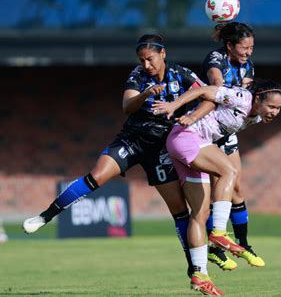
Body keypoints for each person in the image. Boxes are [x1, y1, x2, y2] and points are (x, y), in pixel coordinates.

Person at [22, 34, 205, 281]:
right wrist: (146, 94)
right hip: (132, 139)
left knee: (179, 210)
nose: (146, 65)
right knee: (96, 176)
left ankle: (194, 270)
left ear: (163, 54)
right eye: (142, 60)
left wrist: (190, 116)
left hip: (161, 148)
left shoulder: (181, 74)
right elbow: (127, 106)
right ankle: (45, 216)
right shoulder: (138, 76)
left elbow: (207, 94)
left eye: (150, 59)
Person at [153, 79, 281, 296]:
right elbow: (204, 91)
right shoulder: (242, 98)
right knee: (229, 171)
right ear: (258, 99)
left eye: (279, 108)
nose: (275, 112)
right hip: (187, 137)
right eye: (271, 106)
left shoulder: (257, 116)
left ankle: (199, 275)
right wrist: (174, 106)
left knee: (200, 214)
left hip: (189, 145)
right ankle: (220, 232)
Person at [187, 21, 263, 271]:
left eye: (251, 47)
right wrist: (239, 92)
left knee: (236, 189)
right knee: (213, 190)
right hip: (208, 129)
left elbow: (246, 91)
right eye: (244, 47)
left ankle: (242, 244)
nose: (249, 52)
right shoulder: (216, 58)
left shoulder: (247, 64)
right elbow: (217, 88)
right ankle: (214, 247)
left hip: (227, 131)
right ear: (230, 45)